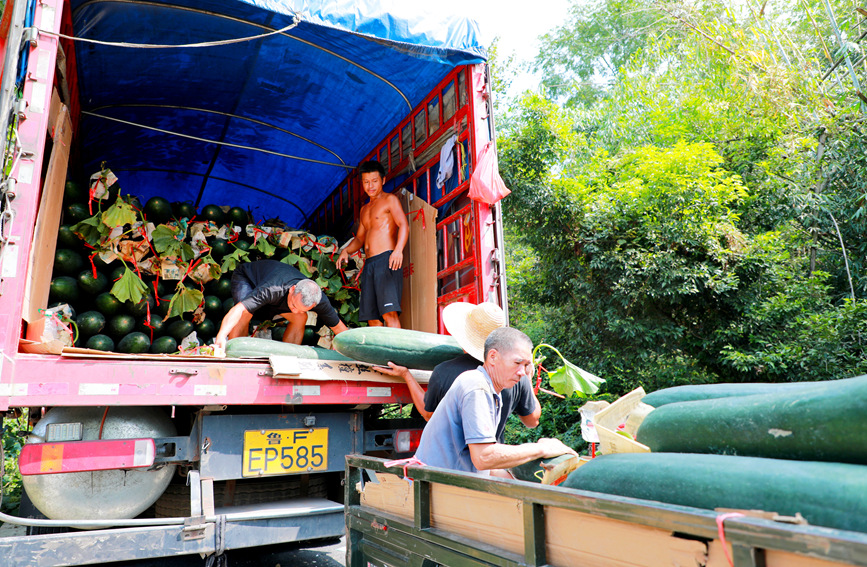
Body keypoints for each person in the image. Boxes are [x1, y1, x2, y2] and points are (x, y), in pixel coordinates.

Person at [413, 327, 576, 475]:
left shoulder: (490, 388)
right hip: (437, 485)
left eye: (526, 365)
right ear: (492, 357)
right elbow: (483, 457)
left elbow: (481, 462)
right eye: (517, 363)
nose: (522, 372)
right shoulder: (476, 387)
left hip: (453, 478)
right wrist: (541, 449)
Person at [376, 302, 540, 443]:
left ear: (465, 335)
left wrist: (406, 375)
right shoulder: (517, 376)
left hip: (455, 469)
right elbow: (532, 420)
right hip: (491, 462)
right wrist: (529, 380)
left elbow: (428, 415)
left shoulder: (443, 372)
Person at [214, 260, 348, 353]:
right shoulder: (273, 288)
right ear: (292, 289)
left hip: (274, 301)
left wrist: (353, 351)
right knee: (245, 314)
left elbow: (338, 327)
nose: (295, 310)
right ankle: (235, 352)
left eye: (301, 308)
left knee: (301, 317)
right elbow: (239, 309)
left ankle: (288, 354)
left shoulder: (319, 300)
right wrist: (221, 336)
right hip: (249, 280)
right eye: (294, 305)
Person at [336, 160, 409, 328]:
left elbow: (403, 224)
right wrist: (346, 250)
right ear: (362, 183)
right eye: (366, 182)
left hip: (387, 260)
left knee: (389, 313)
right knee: (372, 318)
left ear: (383, 180)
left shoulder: (390, 200)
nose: (370, 186)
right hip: (369, 265)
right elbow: (360, 239)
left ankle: (396, 353)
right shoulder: (364, 209)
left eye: (374, 181)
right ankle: (381, 354)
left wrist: (398, 251)